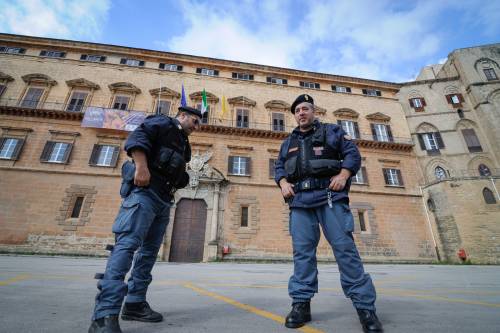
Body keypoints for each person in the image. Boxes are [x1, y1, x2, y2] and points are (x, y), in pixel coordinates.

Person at [274, 94, 383, 332]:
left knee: (345, 250)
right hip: (300, 202)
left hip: (330, 198)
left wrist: (344, 175)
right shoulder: (288, 141)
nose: (301, 113)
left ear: (314, 112)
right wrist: (282, 182)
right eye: (297, 110)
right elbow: (279, 166)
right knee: (302, 254)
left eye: (305, 109)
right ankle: (301, 304)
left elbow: (352, 154)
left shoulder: (333, 131)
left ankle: (366, 309)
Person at [88, 106, 202, 333]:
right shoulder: (163, 123)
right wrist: (141, 167)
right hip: (144, 194)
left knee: (148, 253)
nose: (197, 127)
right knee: (127, 246)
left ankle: (135, 303)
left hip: (163, 199)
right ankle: (104, 315)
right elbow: (137, 138)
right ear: (182, 116)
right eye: (196, 121)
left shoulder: (183, 143)